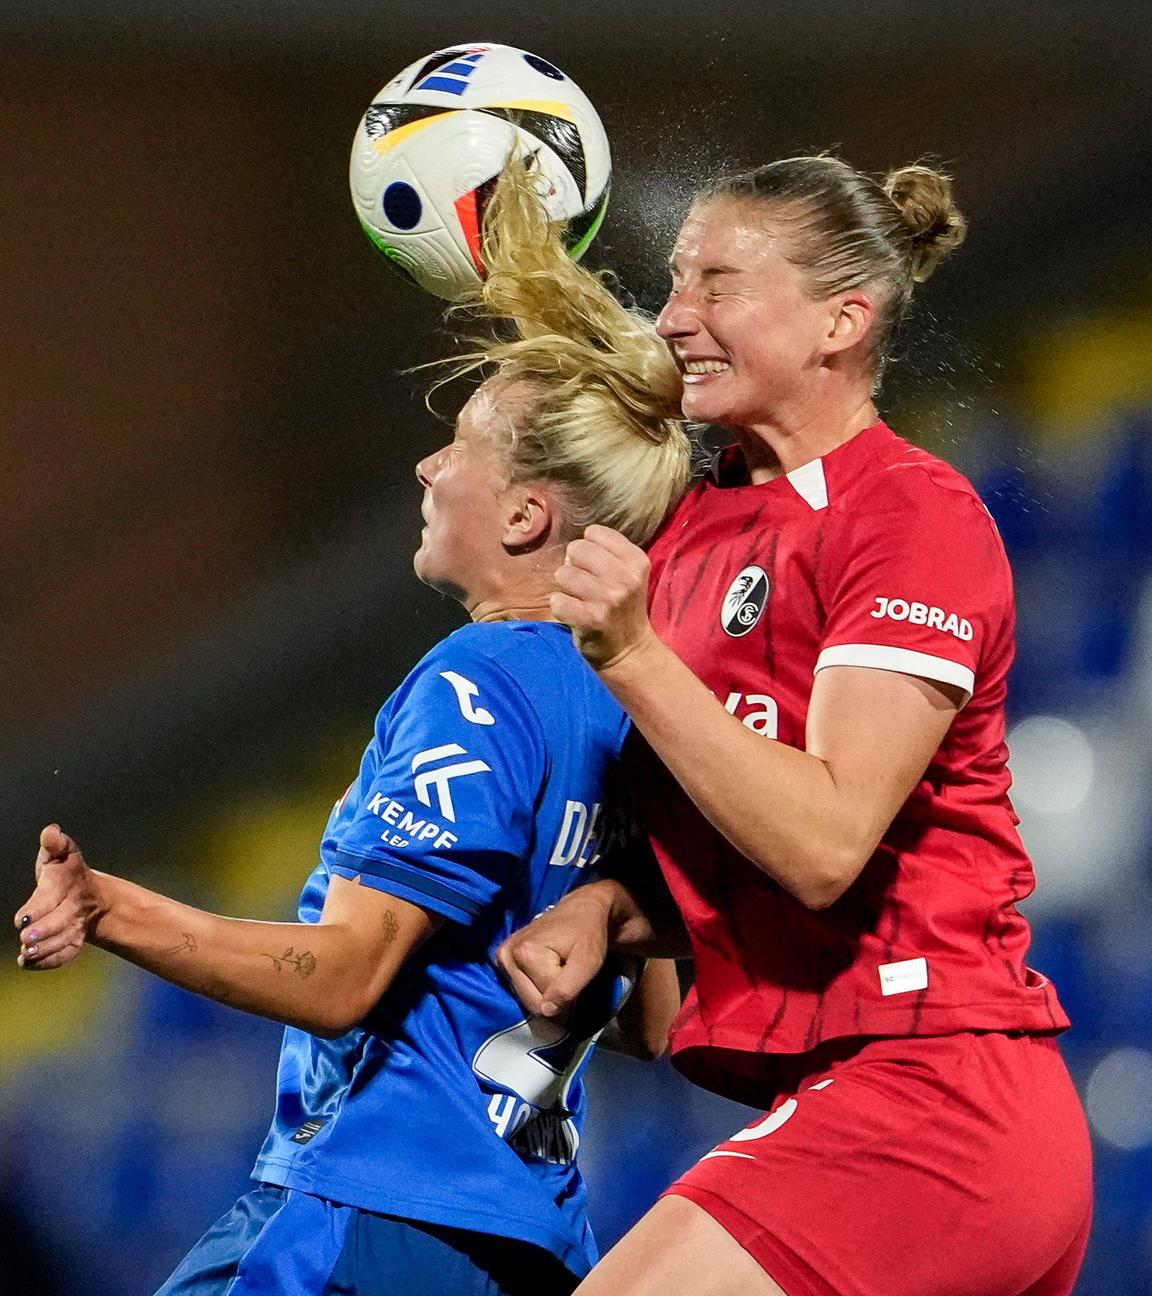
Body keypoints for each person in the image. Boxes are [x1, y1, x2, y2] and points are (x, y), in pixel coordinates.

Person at [11, 165, 691, 1296]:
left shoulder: (477, 679)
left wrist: (111, 907)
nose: (430, 466)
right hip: (519, 1233)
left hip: (379, 1210)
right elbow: (653, 1019)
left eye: (462, 444)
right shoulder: (641, 697)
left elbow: (347, 978)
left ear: (528, 514)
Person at [498, 155, 1094, 1296]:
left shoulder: (910, 514)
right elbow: (725, 838)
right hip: (849, 1096)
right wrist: (610, 909)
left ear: (842, 320)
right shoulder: (695, 531)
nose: (676, 316)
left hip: (936, 1101)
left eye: (718, 283)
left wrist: (631, 656)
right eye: (677, 282)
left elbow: (824, 845)